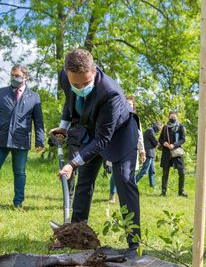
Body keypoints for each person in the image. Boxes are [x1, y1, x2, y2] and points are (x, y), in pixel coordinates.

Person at [53, 49, 141, 254]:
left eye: (86, 83)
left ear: (94, 70)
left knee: (124, 181)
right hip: (93, 131)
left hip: (120, 135)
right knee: (84, 179)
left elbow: (103, 140)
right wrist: (63, 126)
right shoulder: (65, 78)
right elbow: (69, 102)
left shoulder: (109, 93)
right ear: (67, 74)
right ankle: (75, 232)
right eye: (76, 84)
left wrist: (72, 163)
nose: (81, 87)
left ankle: (134, 243)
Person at [0, 65, 44, 207]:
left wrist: (40, 140)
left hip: (21, 140)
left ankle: (18, 202)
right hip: (1, 138)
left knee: (19, 172)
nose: (14, 78)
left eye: (17, 75)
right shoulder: (2, 93)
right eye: (12, 75)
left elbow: (38, 121)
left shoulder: (34, 97)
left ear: (25, 77)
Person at [50, 69, 87, 204]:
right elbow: (68, 103)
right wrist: (62, 129)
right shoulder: (64, 76)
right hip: (75, 132)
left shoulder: (92, 83)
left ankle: (81, 201)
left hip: (92, 132)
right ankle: (69, 198)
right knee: (71, 166)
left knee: (85, 171)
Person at [108, 96, 146, 203]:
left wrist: (142, 151)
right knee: (115, 175)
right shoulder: (116, 116)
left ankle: (130, 196)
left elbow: (139, 136)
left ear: (133, 106)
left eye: (131, 104)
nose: (129, 106)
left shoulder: (135, 119)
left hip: (131, 151)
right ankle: (112, 194)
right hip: (117, 149)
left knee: (130, 174)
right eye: (127, 104)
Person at [159, 110, 187, 197]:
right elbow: (160, 139)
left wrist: (174, 145)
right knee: (165, 173)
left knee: (182, 172)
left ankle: (181, 192)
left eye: (174, 117)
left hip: (177, 152)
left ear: (177, 117)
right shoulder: (165, 127)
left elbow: (183, 139)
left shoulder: (180, 127)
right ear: (168, 117)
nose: (173, 119)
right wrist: (165, 143)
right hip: (166, 153)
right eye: (171, 117)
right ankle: (163, 192)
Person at [135, 122, 162, 188]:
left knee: (152, 171)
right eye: (160, 127)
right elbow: (155, 142)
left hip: (151, 153)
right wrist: (161, 145)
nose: (160, 129)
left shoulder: (151, 130)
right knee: (144, 170)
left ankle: (152, 186)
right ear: (157, 125)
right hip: (148, 153)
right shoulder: (150, 130)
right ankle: (132, 182)